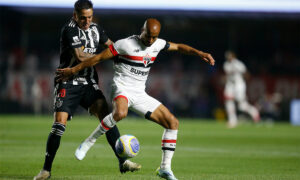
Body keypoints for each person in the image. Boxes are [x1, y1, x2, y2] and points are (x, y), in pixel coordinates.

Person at [56, 18, 215, 180]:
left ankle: (165, 168)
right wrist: (73, 70)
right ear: (142, 30)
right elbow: (97, 58)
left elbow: (180, 47)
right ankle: (88, 142)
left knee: (172, 123)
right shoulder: (124, 44)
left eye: (154, 37)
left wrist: (200, 53)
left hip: (139, 94)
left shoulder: (157, 44)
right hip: (121, 88)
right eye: (148, 36)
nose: (151, 40)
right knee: (121, 113)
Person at [33, 1, 141, 179]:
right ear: (75, 15)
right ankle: (46, 170)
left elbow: (112, 46)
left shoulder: (97, 29)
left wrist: (122, 54)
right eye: (83, 18)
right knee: (59, 124)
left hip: (89, 82)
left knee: (107, 118)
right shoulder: (69, 29)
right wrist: (108, 56)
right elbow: (81, 56)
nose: (87, 21)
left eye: (89, 17)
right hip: (68, 82)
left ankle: (123, 162)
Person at [223, 50, 260, 128]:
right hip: (230, 85)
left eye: (230, 56)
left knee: (241, 106)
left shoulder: (238, 64)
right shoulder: (226, 65)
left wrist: (244, 83)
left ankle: (254, 112)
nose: (229, 58)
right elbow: (227, 76)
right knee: (228, 101)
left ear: (233, 56)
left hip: (239, 85)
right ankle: (232, 120)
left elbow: (246, 74)